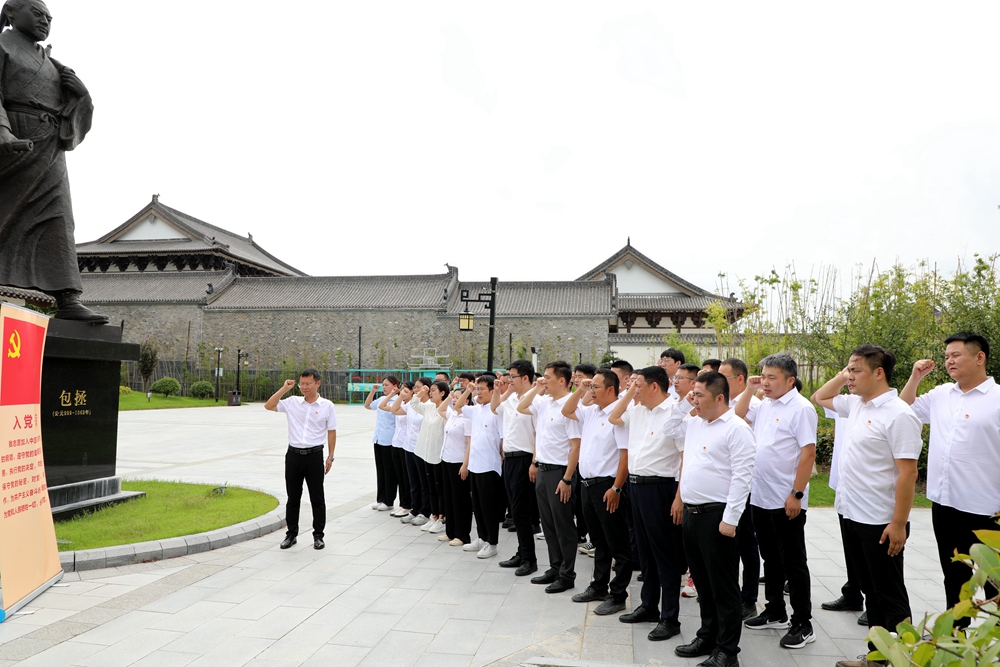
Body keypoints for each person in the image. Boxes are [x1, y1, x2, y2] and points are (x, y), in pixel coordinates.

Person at [812, 345, 922, 667]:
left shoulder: (899, 414)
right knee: (870, 592)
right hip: (852, 512)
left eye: (855, 369)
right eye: (848, 369)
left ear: (879, 373)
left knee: (890, 595)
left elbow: (908, 473)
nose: (849, 376)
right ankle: (877, 658)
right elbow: (820, 397)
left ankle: (903, 659)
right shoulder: (856, 405)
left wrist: (898, 523)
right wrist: (843, 374)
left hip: (880, 520)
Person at [0, 0, 107, 323]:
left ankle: (67, 297)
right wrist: (3, 130)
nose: (45, 21)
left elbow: (73, 109)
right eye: (37, 13)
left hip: (48, 144)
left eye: (49, 17)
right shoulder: (2, 47)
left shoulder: (53, 64)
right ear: (10, 12)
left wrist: (82, 95)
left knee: (59, 214)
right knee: (6, 212)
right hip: (14, 138)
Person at [901, 332, 1000, 625]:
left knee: (995, 579)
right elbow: (902, 410)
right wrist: (915, 377)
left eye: (956, 355)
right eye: (946, 357)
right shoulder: (941, 394)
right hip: (945, 503)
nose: (949, 361)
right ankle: (957, 633)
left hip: (988, 508)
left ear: (979, 357)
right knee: (954, 574)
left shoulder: (997, 398)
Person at [671, 371, 755, 667]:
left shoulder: (736, 428)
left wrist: (730, 519)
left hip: (717, 516)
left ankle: (727, 650)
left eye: (699, 395)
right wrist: (686, 402)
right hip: (692, 514)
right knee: (703, 584)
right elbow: (669, 425)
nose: (693, 399)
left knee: (723, 587)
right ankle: (707, 636)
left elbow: (742, 477)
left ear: (719, 398)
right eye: (692, 394)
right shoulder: (695, 423)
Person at [735, 353, 817, 649]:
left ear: (790, 380)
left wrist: (796, 494)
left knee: (793, 562)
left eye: (772, 377)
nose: (765, 382)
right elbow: (737, 416)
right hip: (761, 495)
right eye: (764, 376)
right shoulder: (766, 403)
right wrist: (749, 389)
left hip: (786, 498)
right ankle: (775, 611)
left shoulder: (801, 409)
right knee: (770, 557)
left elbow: (808, 453)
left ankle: (803, 623)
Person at [609, 366, 686, 642]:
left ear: (655, 386)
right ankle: (648, 606)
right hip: (636, 486)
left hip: (661, 488)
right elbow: (613, 416)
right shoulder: (637, 409)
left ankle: (670, 617)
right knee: (645, 552)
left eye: (638, 385)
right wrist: (631, 392)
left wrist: (679, 497)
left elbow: (685, 458)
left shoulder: (675, 413)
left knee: (665, 555)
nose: (633, 389)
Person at [562, 369, 632, 616]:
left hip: (607, 486)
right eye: (591, 387)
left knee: (618, 543)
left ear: (611, 390)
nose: (591, 391)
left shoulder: (618, 415)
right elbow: (567, 410)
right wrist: (581, 388)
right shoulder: (591, 411)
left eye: (596, 387)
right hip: (587, 484)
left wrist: (616, 488)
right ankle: (599, 586)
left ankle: (618, 594)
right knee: (599, 541)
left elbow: (624, 456)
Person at [519, 361, 579, 593]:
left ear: (562, 380)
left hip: (559, 472)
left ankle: (567, 574)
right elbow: (522, 406)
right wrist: (537, 388)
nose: (543, 379)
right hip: (543, 470)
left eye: (547, 377)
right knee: (548, 524)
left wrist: (567, 479)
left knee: (563, 525)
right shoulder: (545, 403)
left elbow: (576, 447)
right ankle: (555, 568)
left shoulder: (570, 406)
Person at [265, 370, 336, 551]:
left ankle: (318, 535)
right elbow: (269, 405)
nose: (304, 387)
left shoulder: (327, 406)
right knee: (293, 497)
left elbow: (331, 431)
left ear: (317, 383)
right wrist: (284, 389)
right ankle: (291, 534)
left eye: (308, 383)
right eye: (302, 384)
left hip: (314, 455)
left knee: (317, 498)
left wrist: (330, 456)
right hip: (293, 455)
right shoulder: (292, 402)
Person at [719, 358, 762, 619]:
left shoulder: (753, 405)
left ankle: (749, 598)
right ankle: (731, 594)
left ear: (740, 379)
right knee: (729, 545)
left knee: (747, 544)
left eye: (723, 377)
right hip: (724, 485)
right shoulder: (721, 403)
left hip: (745, 485)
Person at [492, 360, 542, 576]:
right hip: (510, 459)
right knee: (515, 509)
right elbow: (495, 408)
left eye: (512, 376)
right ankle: (521, 553)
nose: (508, 380)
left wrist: (534, 462)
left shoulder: (536, 401)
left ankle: (530, 559)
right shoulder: (511, 398)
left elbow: (539, 434)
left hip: (525, 458)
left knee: (522, 511)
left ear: (525, 378)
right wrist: (498, 390)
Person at [458, 375, 505, 558]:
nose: (478, 392)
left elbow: (502, 440)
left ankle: (492, 543)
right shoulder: (476, 409)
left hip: (489, 466)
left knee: (488, 508)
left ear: (492, 391)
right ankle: (482, 537)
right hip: (475, 464)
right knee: (477, 506)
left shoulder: (497, 411)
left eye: (481, 389)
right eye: (477, 389)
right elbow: (458, 406)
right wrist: (468, 391)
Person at [439, 390, 472, 547]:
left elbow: (470, 444)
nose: (455, 400)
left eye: (458, 398)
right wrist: (449, 396)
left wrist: (465, 465)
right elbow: (440, 409)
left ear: (466, 401)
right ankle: (450, 531)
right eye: (455, 397)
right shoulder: (452, 415)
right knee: (449, 498)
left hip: (459, 462)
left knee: (460, 500)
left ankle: (462, 534)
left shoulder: (468, 419)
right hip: (446, 459)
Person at [364, 377, 400, 512]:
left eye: (387, 385)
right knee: (381, 470)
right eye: (383, 385)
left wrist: (393, 394)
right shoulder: (381, 399)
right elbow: (367, 406)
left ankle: (388, 500)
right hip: (378, 439)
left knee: (389, 472)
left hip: (389, 440)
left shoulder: (398, 400)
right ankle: (380, 498)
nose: (384, 387)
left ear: (395, 386)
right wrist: (373, 391)